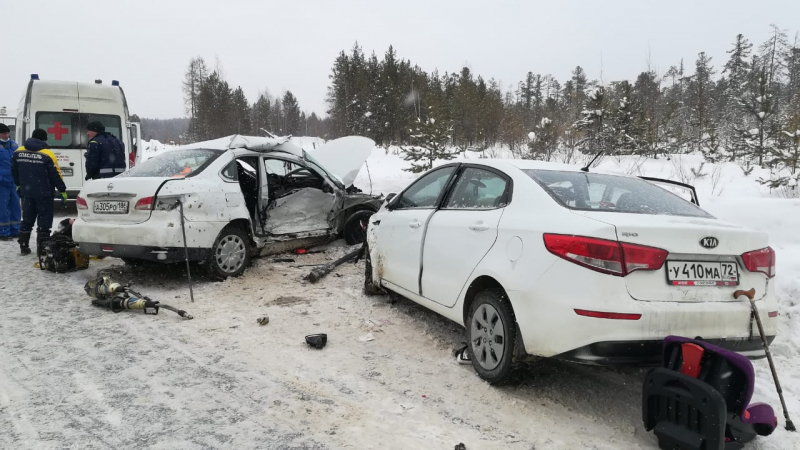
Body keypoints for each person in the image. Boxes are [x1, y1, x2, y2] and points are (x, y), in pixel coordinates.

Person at [11, 128, 67, 255]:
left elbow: (14, 170)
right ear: (44, 139)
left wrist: (19, 184)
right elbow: (55, 174)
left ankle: (24, 246)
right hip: (44, 193)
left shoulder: (18, 152)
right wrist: (62, 189)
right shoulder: (47, 154)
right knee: (44, 221)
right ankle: (42, 249)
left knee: (27, 219)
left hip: (27, 192)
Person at [0, 123, 22, 240]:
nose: (6, 135)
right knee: (2, 209)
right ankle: (3, 232)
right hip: (1, 182)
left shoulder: (13, 145)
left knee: (15, 207)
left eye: (7, 133)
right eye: (3, 133)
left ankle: (15, 230)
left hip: (13, 181)